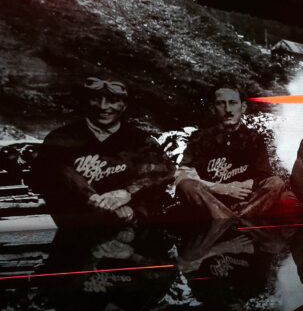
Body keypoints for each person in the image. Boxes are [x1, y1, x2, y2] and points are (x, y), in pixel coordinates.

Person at [32, 77, 173, 226]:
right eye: (95, 98)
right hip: (78, 228)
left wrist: (128, 195)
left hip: (133, 226)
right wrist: (91, 199)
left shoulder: (141, 140)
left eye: (113, 100)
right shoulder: (60, 139)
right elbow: (45, 177)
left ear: (124, 105)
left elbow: (165, 174)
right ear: (85, 100)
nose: (103, 106)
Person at [176, 86, 285, 219]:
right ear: (212, 108)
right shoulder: (200, 138)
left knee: (276, 183)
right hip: (212, 202)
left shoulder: (254, 138)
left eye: (233, 103)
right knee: (187, 185)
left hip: (245, 202)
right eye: (221, 104)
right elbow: (182, 175)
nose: (228, 110)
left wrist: (246, 185)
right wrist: (222, 188)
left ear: (243, 107)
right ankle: (238, 224)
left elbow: (264, 175)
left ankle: (230, 222)